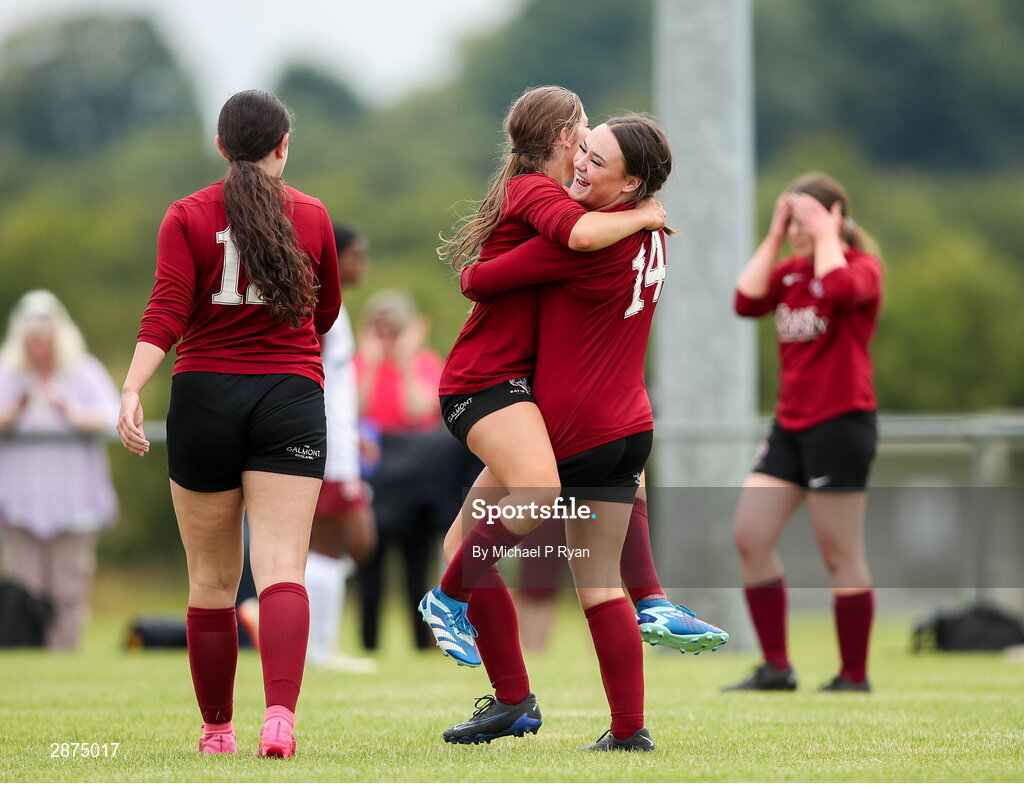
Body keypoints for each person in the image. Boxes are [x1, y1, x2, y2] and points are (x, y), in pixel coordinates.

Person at [437, 113, 691, 752]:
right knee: (600, 582)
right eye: (582, 146)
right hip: (631, 426)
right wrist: (643, 213)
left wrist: (621, 217)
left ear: (631, 183)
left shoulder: (588, 239)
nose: (580, 161)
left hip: (576, 426)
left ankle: (456, 609)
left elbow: (479, 279)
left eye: (596, 158)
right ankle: (630, 728)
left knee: (465, 546)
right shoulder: (650, 234)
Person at [116, 89, 341, 757]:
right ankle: (280, 718)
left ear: (219, 147)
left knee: (211, 581)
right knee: (281, 571)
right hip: (289, 395)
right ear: (283, 147)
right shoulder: (313, 213)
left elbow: (166, 310)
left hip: (204, 399)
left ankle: (217, 730)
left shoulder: (186, 215)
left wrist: (132, 385)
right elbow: (324, 312)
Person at [724, 172, 883, 693]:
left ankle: (853, 676)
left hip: (841, 425)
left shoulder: (860, 268)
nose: (797, 229)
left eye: (806, 218)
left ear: (837, 216)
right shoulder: (789, 273)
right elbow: (745, 301)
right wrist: (773, 236)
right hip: (790, 425)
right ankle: (776, 667)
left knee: (841, 552)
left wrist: (828, 236)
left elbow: (838, 288)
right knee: (750, 536)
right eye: (790, 219)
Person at [0, 290, 119, 650]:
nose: (39, 347)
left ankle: (63, 659)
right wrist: (14, 412)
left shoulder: (84, 372)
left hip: (74, 504)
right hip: (21, 505)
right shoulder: (8, 372)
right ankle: (25, 660)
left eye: (45, 338)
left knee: (68, 591)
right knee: (23, 591)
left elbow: (115, 418)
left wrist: (71, 413)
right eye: (32, 339)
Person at [352, 290, 453, 652]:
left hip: (416, 477)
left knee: (417, 569)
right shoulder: (359, 365)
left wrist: (407, 361)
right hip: (373, 475)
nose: (388, 338)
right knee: (370, 569)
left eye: (394, 329)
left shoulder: (426, 363)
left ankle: (422, 645)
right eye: (380, 329)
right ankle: (368, 644)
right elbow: (354, 408)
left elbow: (418, 411)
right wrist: (373, 362)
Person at [305, 223, 377, 673]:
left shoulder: (337, 309)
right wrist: (336, 441)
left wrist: (354, 436)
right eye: (358, 255)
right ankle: (318, 649)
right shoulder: (322, 308)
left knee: (342, 544)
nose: (362, 265)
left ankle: (316, 642)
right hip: (328, 449)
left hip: (341, 444)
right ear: (338, 258)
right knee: (338, 542)